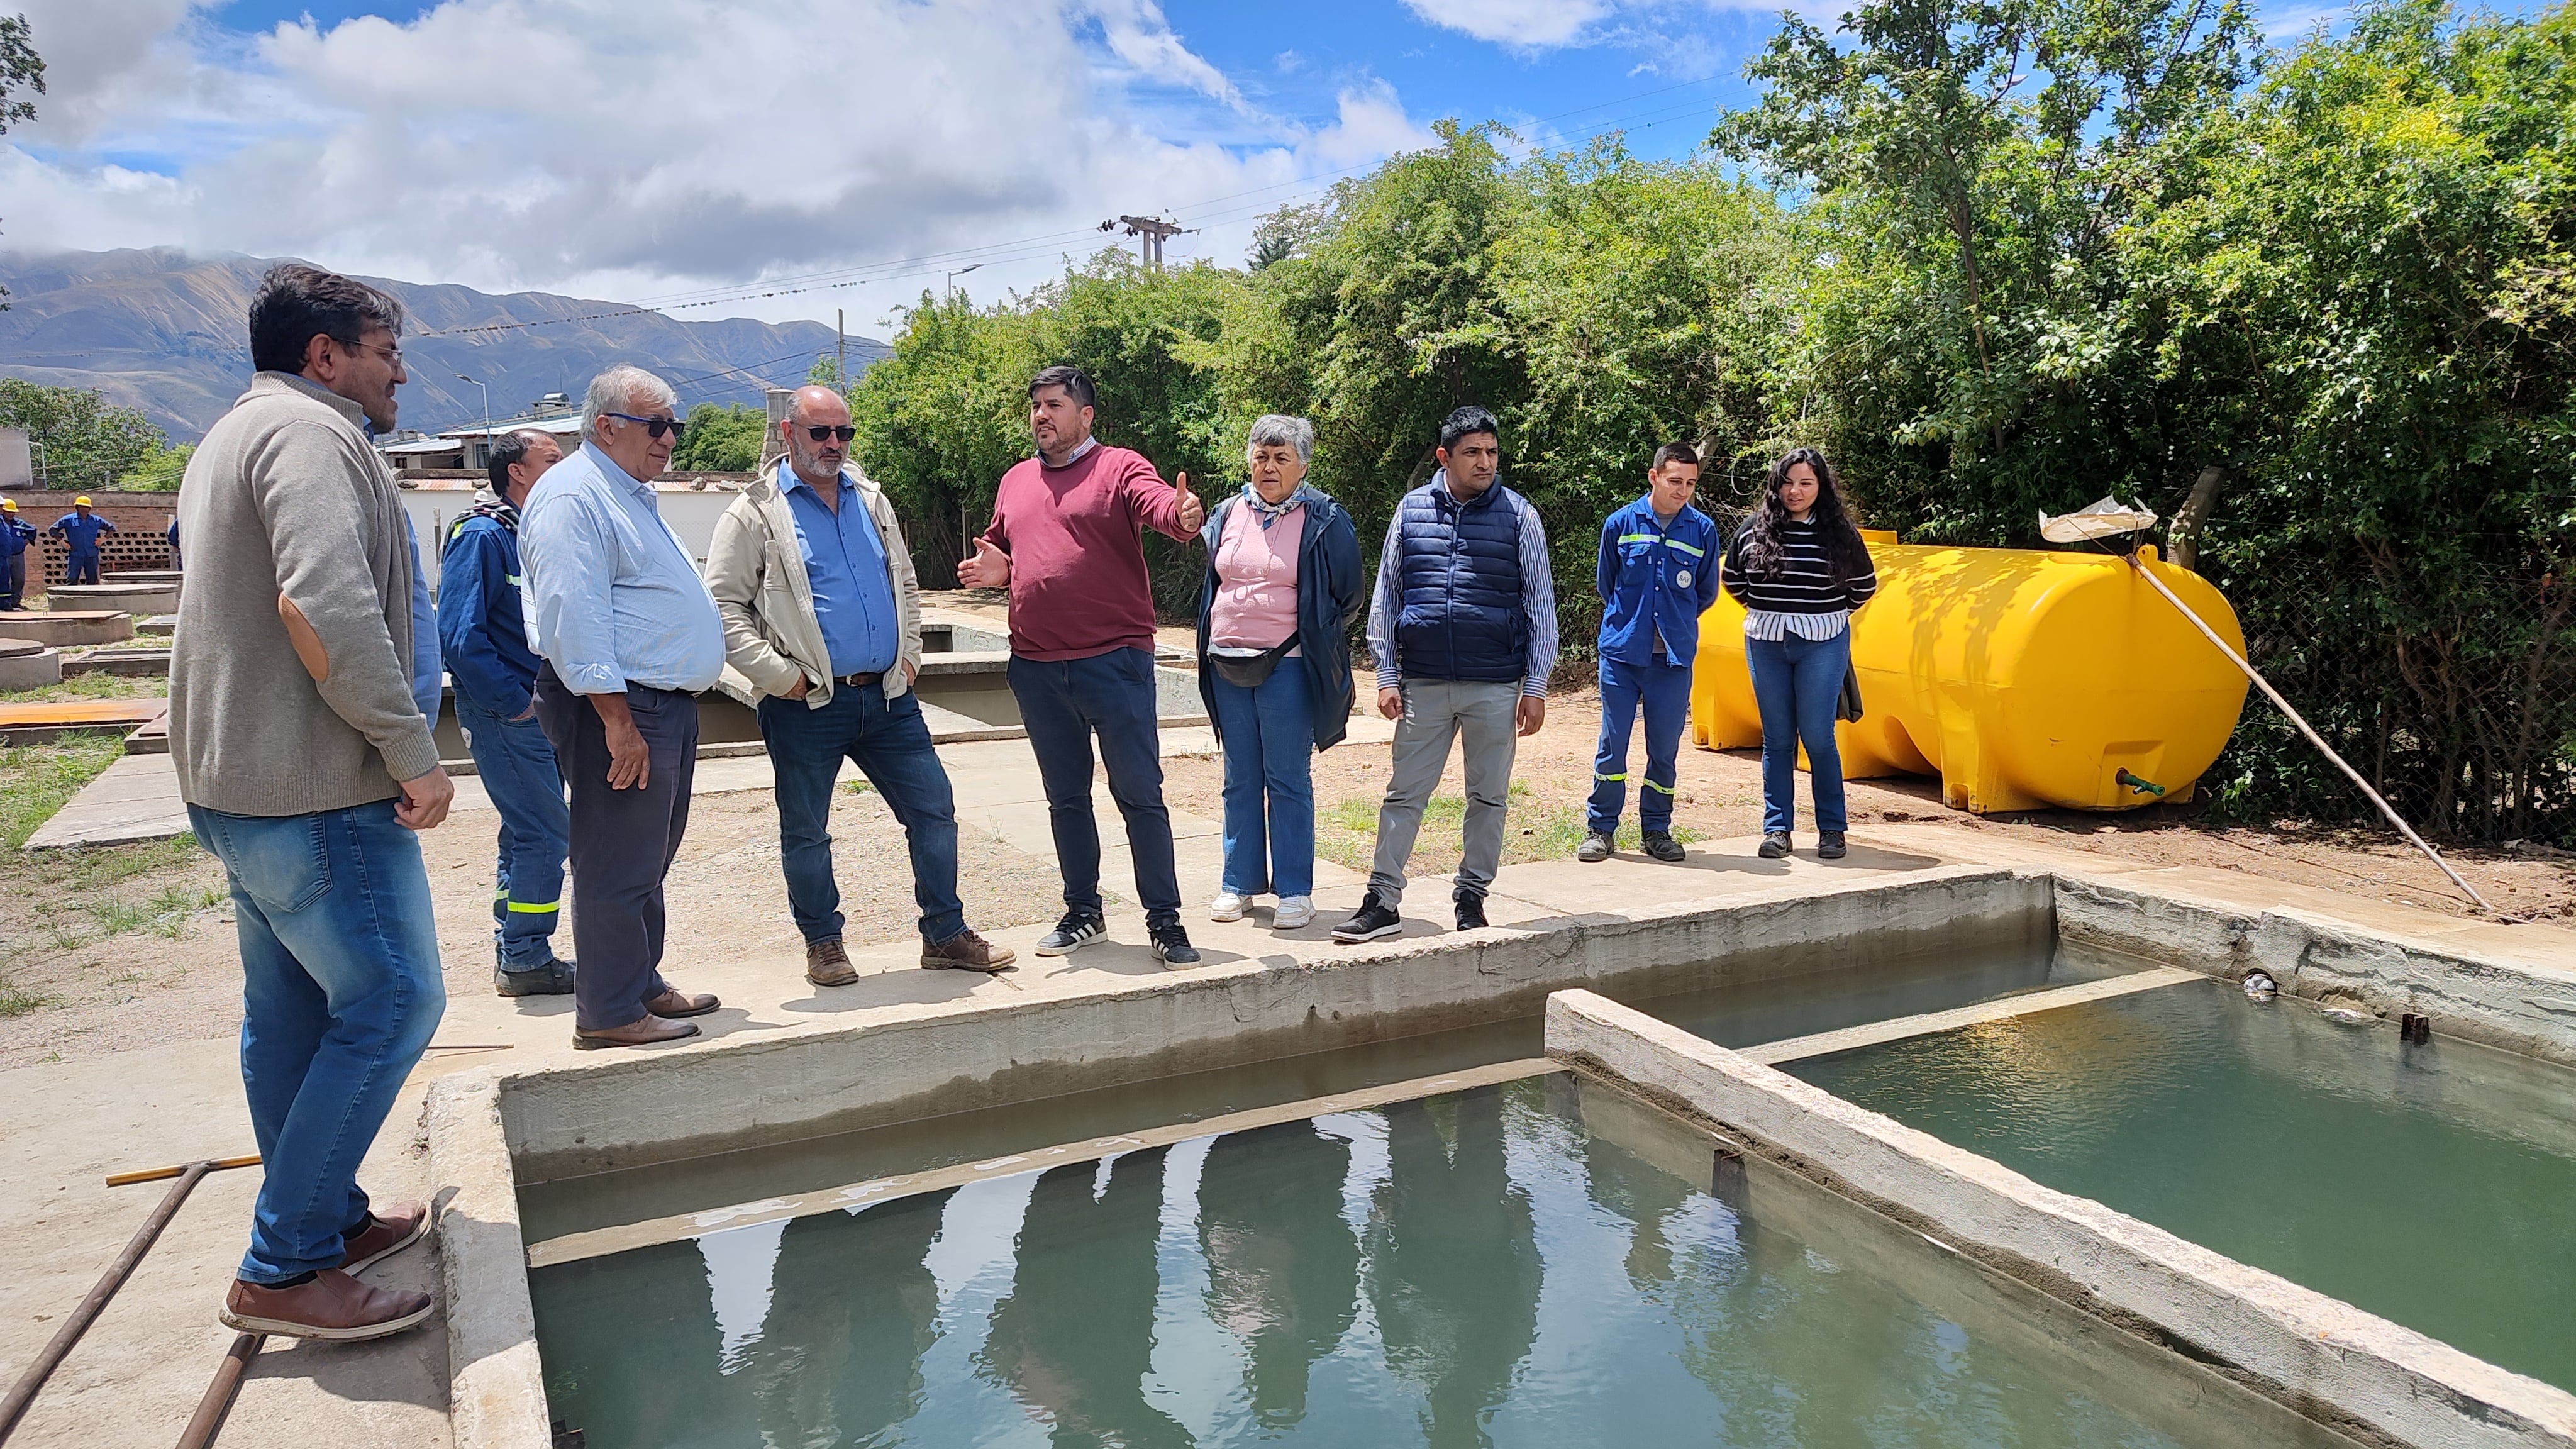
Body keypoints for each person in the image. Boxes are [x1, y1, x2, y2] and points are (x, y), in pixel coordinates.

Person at [171, 262, 451, 1341]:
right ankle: (284, 1262)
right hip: (315, 788)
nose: (403, 371)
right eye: (387, 352)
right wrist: (410, 749)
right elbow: (320, 601)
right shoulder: (310, 436)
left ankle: (326, 1219)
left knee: (289, 1011)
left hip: (242, 787)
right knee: (392, 1002)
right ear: (325, 355)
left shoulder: (235, 432)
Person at [708, 384, 1014, 982]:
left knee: (934, 812)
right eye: (821, 433)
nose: (834, 445)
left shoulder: (871, 499)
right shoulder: (753, 511)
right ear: (788, 434)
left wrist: (911, 658)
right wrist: (781, 678)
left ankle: (945, 935)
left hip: (889, 697)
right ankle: (823, 944)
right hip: (807, 704)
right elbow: (723, 607)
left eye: (843, 433)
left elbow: (903, 582)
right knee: (807, 831)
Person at [955, 365, 1206, 966]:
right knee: (1065, 797)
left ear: (1086, 416)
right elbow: (1004, 554)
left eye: (1054, 405)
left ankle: (1165, 921)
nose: (1042, 416)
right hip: (1038, 668)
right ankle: (1083, 912)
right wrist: (999, 573)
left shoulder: (1119, 466)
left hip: (1114, 662)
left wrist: (1184, 516)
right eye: (1036, 406)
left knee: (1139, 794)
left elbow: (1161, 509)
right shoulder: (1015, 480)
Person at [521, 365, 727, 1048]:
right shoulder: (574, 496)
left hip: (655, 703)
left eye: (675, 425)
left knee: (646, 858)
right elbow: (572, 616)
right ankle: (609, 1012)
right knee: (615, 860)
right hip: (618, 707)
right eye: (657, 425)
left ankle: (639, 984)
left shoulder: (625, 492)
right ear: (607, 427)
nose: (670, 439)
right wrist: (617, 721)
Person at [1335, 406, 1557, 943]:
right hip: (1424, 683)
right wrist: (1386, 673)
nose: (1485, 463)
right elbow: (1388, 595)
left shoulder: (1520, 515)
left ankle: (1471, 897)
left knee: (1489, 797)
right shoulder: (1411, 512)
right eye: (1472, 453)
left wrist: (1534, 686)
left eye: (1492, 452)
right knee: (1404, 794)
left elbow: (1540, 605)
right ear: (1445, 457)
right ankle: (1382, 901)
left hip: (1496, 684)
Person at [1192, 414, 1362, 931]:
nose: (1268, 467)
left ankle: (1294, 890)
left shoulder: (1325, 519)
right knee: (1238, 777)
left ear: (1302, 466)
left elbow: (1348, 594)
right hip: (1227, 663)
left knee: (1287, 777)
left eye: (1281, 458)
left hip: (1288, 665)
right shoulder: (1225, 513)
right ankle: (1238, 885)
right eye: (1261, 456)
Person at [440, 428, 578, 996]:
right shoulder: (482, 536)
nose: (564, 471)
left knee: (523, 832)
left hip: (539, 710)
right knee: (547, 834)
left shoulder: (532, 533)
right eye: (551, 461)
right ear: (516, 472)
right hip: (510, 715)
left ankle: (514, 948)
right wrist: (516, 705)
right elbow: (459, 637)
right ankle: (525, 957)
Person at [1719, 446, 1879, 860]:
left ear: (1820, 487)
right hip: (1766, 643)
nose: (1795, 491)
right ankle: (1777, 830)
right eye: (1788, 482)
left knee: (1818, 735)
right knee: (1776, 739)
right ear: (1776, 485)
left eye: (1806, 482)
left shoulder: (1840, 532)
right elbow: (1733, 579)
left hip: (1822, 644)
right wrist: (1770, 613)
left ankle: (1832, 829)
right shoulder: (1753, 530)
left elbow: (1863, 586)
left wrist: (1825, 616)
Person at [1580, 442, 1721, 865]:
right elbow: (1608, 584)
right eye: (1675, 481)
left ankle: (1656, 830)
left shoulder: (1703, 531)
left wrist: (1673, 624)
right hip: (1624, 655)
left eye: (1691, 484)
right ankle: (1600, 829)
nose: (1683, 491)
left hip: (1672, 660)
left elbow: (1706, 593)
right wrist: (1636, 622)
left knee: (1664, 750)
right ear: (1654, 476)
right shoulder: (1621, 524)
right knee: (1613, 745)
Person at [48, 496, 116, 584]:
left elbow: (112, 529)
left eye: (86, 507)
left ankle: (92, 596)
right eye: (81, 507)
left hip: (91, 555)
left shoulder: (96, 520)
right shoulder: (68, 520)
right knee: (72, 579)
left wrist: (103, 539)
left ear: (90, 509)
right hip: (75, 554)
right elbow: (53, 529)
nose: (84, 509)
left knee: (93, 580)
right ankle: (71, 597)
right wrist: (62, 542)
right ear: (77, 508)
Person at [0, 499, 32, 609]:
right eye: (9, 511)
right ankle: (5, 604)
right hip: (3, 556)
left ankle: (14, 602)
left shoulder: (18, 523)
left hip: (17, 555)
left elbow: (32, 531)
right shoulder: (1, 522)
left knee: (19, 580)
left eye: (13, 512)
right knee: (4, 580)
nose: (11, 514)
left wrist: (25, 543)